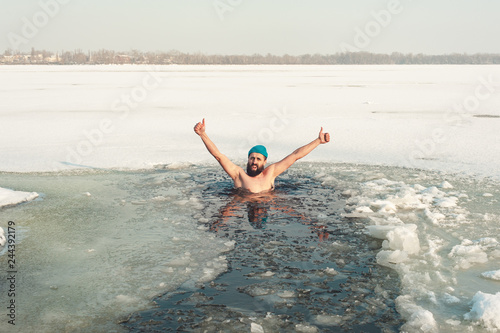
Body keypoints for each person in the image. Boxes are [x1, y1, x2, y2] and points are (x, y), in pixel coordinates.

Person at [193, 118, 330, 193]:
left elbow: (295, 155)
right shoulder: (239, 174)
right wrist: (203, 134)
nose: (254, 161)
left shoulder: (270, 173)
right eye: (252, 158)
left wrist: (318, 141)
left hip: (267, 206)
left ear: (264, 162)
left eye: (258, 159)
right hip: (244, 206)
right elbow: (218, 156)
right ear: (248, 159)